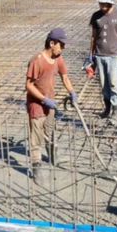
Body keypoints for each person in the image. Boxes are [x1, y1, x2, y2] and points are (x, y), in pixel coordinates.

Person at [25, 28, 77, 184]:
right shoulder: (37, 60)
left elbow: (65, 77)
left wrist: (72, 92)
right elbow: (28, 85)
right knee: (36, 136)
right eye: (61, 45)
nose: (63, 48)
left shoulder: (58, 58)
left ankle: (53, 155)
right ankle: (36, 166)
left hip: (51, 103)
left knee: (50, 130)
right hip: (36, 103)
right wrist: (43, 99)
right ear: (52, 43)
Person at [85, 0, 117, 127]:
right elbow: (93, 36)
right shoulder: (96, 16)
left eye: (104, 4)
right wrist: (91, 55)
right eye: (100, 3)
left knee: (114, 85)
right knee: (104, 85)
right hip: (100, 56)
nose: (101, 6)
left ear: (110, 3)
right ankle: (107, 109)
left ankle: (116, 114)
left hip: (115, 56)